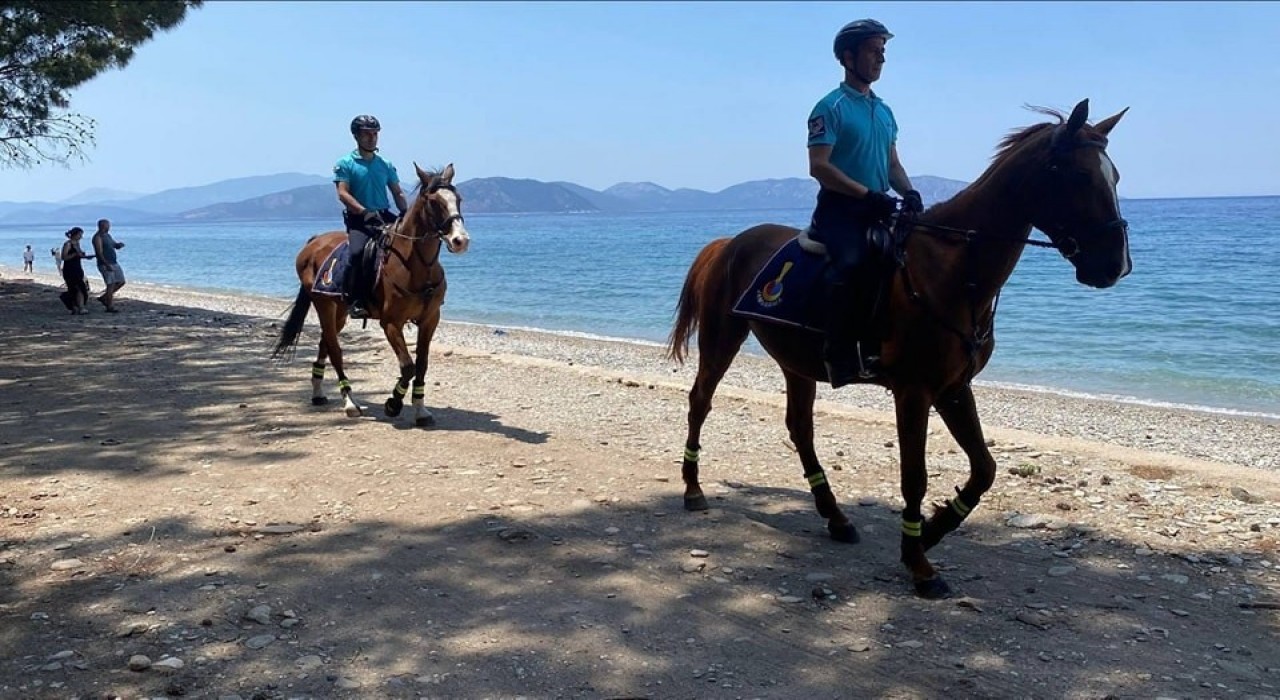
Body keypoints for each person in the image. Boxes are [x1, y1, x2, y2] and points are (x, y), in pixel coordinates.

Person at [806, 18, 925, 388]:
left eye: (883, 52)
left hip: (878, 205)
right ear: (848, 57)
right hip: (840, 209)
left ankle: (890, 344)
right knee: (854, 262)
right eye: (874, 51)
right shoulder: (830, 107)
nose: (881, 59)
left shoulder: (884, 111)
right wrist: (866, 195)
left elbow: (891, 165)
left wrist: (908, 192)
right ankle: (837, 355)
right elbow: (819, 167)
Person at [333, 114, 409, 319]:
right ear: (356, 136)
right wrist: (363, 211)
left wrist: (405, 213)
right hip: (360, 218)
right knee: (357, 253)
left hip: (384, 214)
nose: (372, 138)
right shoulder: (346, 163)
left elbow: (397, 192)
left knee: (413, 245)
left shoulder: (385, 164)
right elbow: (343, 193)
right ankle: (355, 299)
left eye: (375, 134)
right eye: (367, 134)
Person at [91, 218, 127, 312]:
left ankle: (104, 297)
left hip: (114, 262)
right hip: (105, 264)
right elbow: (99, 252)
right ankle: (109, 306)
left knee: (121, 281)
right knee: (110, 284)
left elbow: (113, 245)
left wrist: (118, 245)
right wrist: (106, 264)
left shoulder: (107, 235)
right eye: (108, 225)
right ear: (103, 226)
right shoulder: (97, 237)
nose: (109, 227)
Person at [59, 227, 94, 314]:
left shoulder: (77, 243)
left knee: (81, 288)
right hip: (69, 269)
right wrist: (75, 254)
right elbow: (64, 257)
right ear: (75, 234)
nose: (81, 237)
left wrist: (87, 257)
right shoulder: (68, 244)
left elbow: (79, 255)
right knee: (76, 288)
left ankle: (78, 307)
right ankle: (78, 307)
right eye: (80, 235)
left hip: (77, 268)